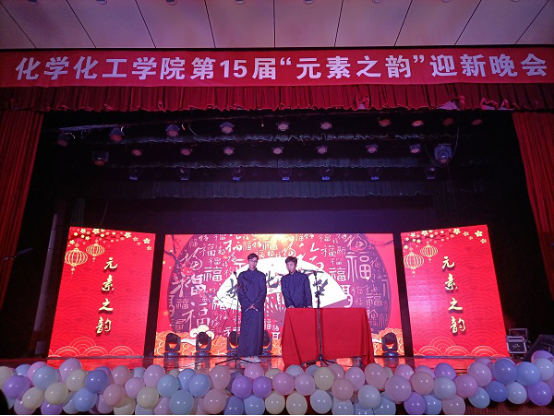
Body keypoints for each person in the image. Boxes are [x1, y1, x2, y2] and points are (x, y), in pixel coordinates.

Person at [237, 253, 267, 363]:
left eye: (255, 261)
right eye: (251, 261)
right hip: (247, 308)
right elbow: (240, 292)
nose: (253, 263)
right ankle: (245, 354)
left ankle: (255, 354)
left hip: (257, 308)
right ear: (248, 261)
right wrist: (248, 304)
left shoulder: (261, 275)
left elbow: (263, 291)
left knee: (257, 331)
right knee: (246, 330)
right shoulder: (242, 275)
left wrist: (256, 304)